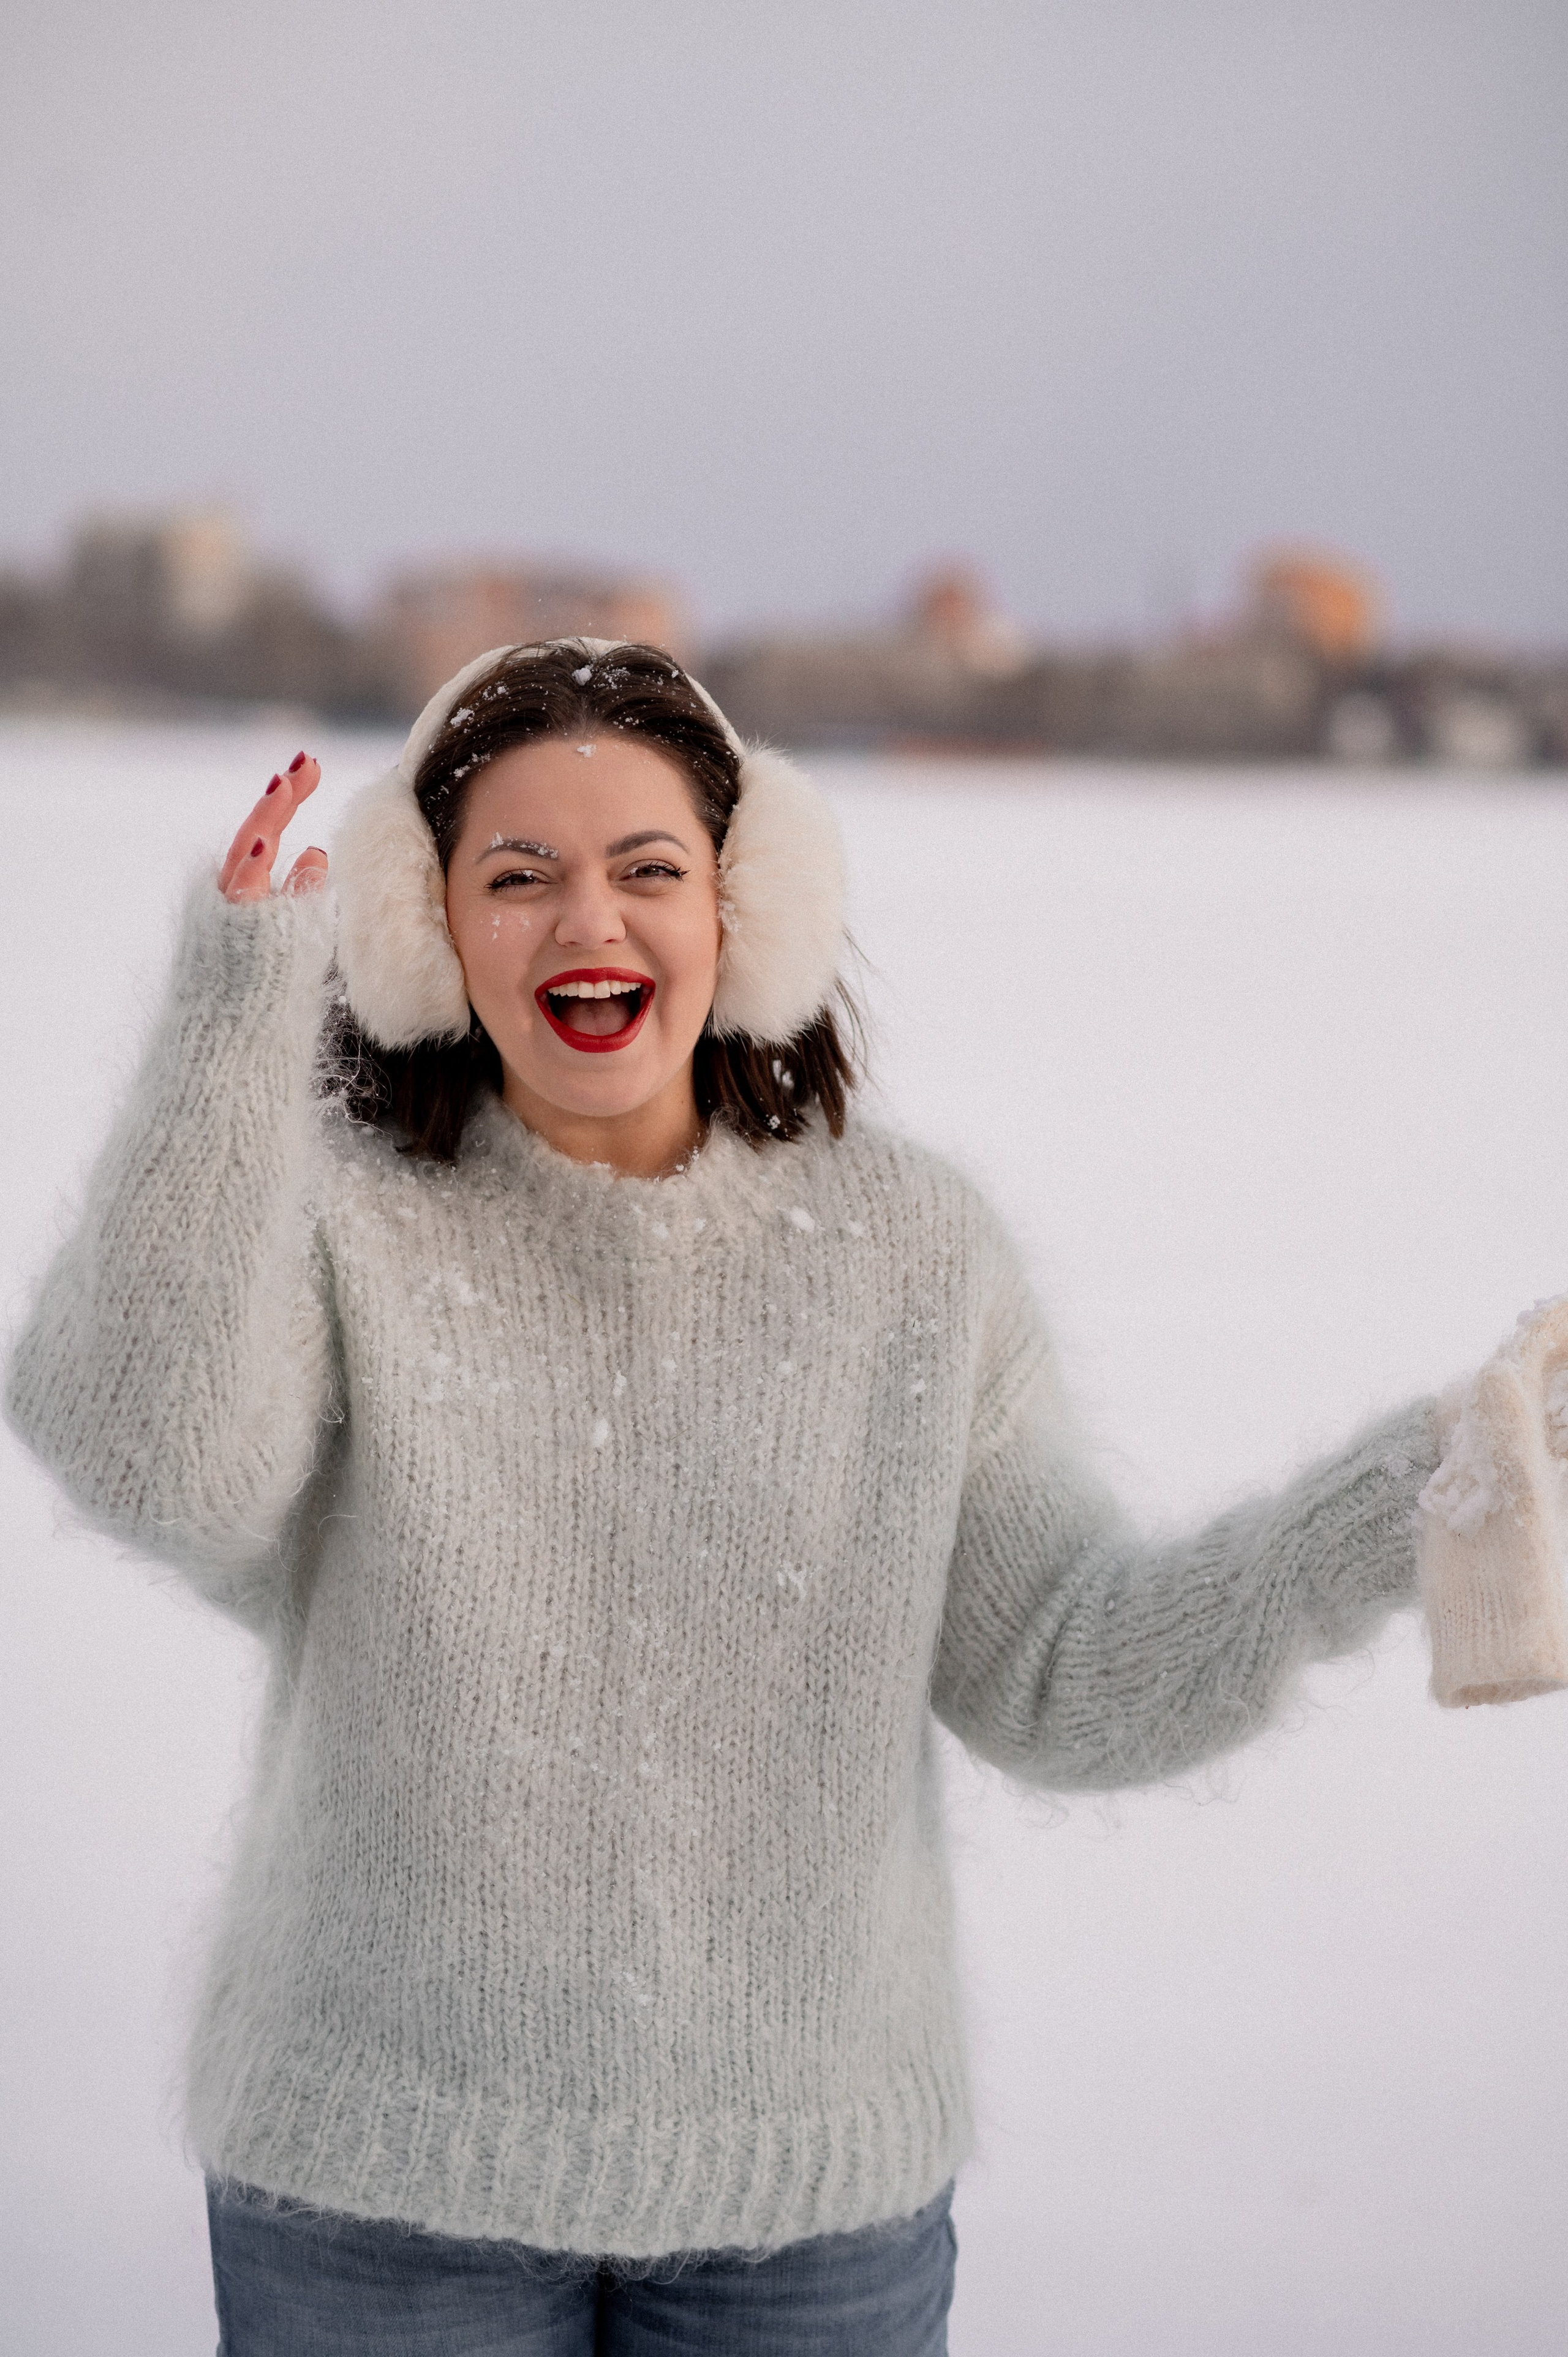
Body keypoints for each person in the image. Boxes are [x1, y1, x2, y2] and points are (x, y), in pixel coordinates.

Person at [7, 638, 1566, 2356]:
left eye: (648, 870)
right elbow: (147, 1448)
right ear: (423, 924)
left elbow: (1063, 1669)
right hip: (379, 2193)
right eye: (515, 876)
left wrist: (1408, 1498)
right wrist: (238, 1014)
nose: (587, 922)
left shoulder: (914, 1257)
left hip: (810, 2220)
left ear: (746, 912)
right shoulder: (335, 1234)